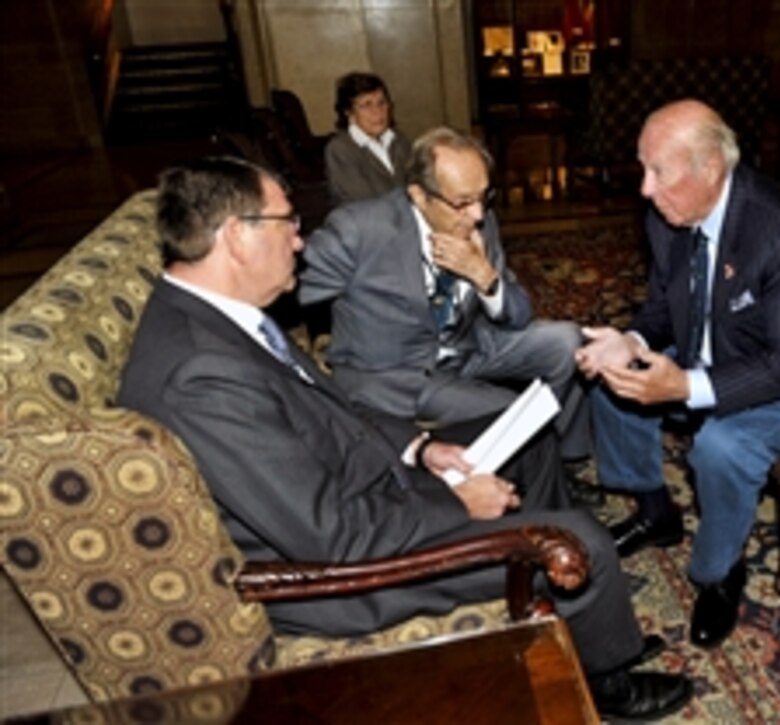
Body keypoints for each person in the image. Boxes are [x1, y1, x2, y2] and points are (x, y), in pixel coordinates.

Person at [117, 156, 692, 720]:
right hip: (344, 574)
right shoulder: (200, 374)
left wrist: (420, 448)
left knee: (530, 439)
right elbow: (331, 536)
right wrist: (454, 500)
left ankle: (575, 613)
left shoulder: (222, 319)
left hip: (362, 486)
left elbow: (332, 408)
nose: (299, 240)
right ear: (237, 237)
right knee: (582, 539)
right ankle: (605, 679)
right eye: (288, 222)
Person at [576, 100, 780, 648]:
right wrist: (629, 342)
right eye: (643, 168)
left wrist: (683, 386)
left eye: (658, 171)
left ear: (710, 168)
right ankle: (656, 512)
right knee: (611, 381)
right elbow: (663, 307)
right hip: (714, 359)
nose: (644, 188)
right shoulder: (670, 214)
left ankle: (718, 573)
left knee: (722, 447)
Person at [300, 126, 598, 503]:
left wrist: (484, 277)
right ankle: (529, 487)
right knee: (515, 419)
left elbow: (518, 316)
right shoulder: (360, 229)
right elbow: (288, 284)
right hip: (396, 374)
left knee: (566, 340)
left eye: (484, 197)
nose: (477, 214)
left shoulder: (478, 219)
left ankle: (566, 458)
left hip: (467, 346)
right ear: (418, 195)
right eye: (462, 202)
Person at [325, 72, 411, 206]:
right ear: (349, 113)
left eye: (382, 103)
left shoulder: (399, 139)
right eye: (366, 105)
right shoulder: (340, 150)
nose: (377, 111)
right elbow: (365, 204)